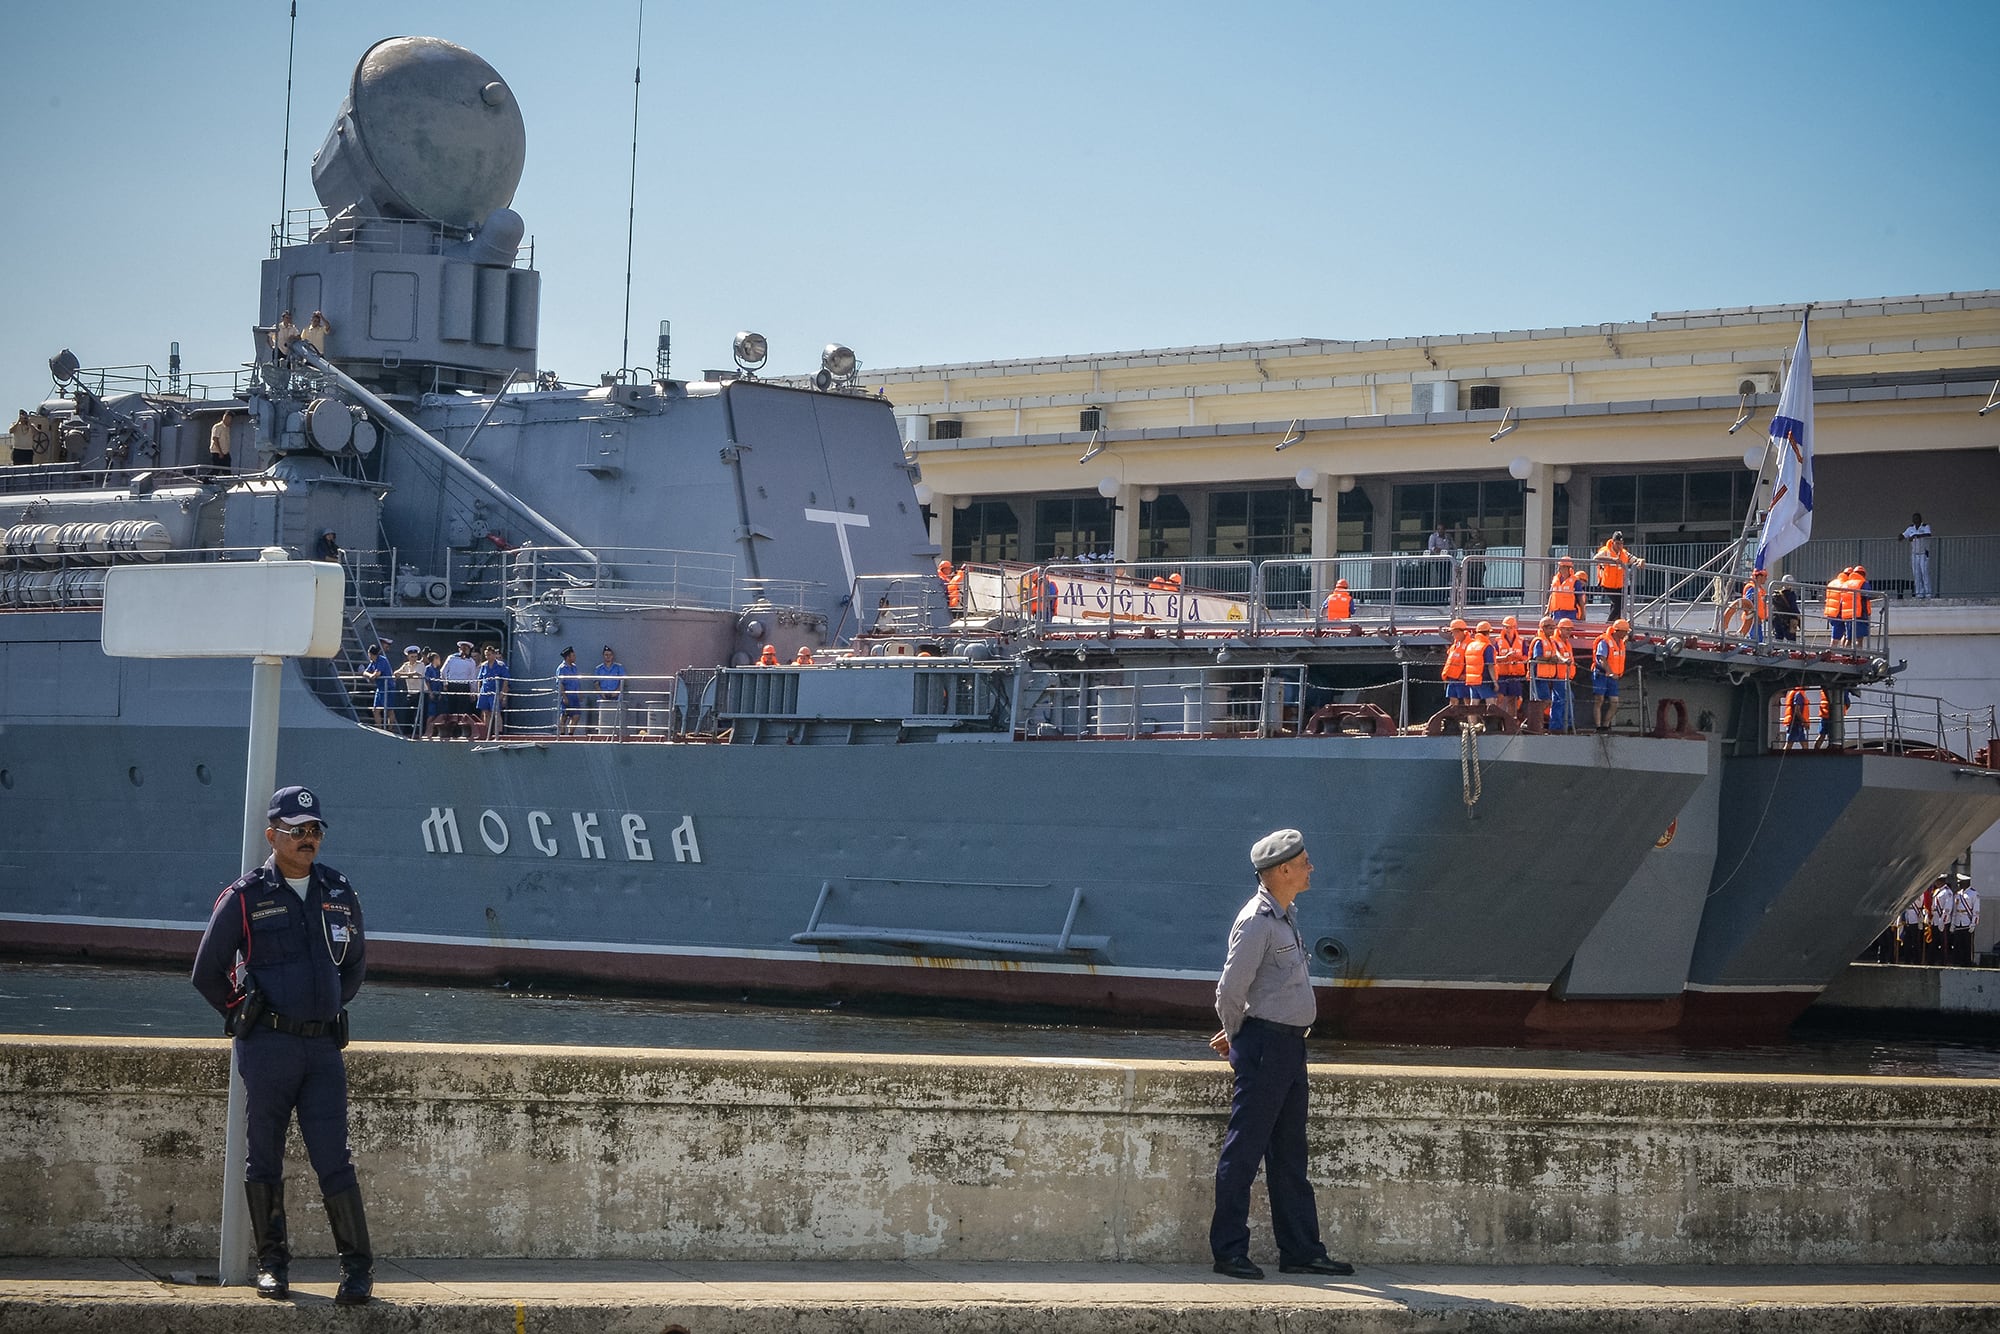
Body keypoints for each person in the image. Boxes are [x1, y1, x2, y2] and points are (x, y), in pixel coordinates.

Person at [190, 786, 375, 1305]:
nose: (308, 838)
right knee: (264, 1157)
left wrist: (328, 1003)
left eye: (315, 829)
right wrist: (241, 1012)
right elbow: (206, 972)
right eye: (297, 831)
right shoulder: (246, 896)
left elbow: (355, 963)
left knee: (333, 1159)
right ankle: (272, 1267)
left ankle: (357, 1272)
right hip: (268, 1047)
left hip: (322, 1053)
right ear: (272, 835)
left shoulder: (338, 891)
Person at [1207, 829, 1353, 1281]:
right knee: (1245, 1150)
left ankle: (1301, 1250)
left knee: (1291, 1154)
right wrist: (1239, 1037)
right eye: (1305, 861)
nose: (1312, 868)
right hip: (1266, 1047)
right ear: (1283, 870)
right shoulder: (1257, 920)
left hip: (1289, 1046)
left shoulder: (1284, 916)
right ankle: (1229, 1252)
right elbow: (1229, 990)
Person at [1592, 532, 1644, 623]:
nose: (1619, 546)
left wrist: (1640, 561)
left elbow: (1634, 559)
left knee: (1620, 605)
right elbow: (1595, 558)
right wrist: (1612, 560)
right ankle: (1608, 624)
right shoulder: (1605, 551)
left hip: (1620, 585)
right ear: (1613, 542)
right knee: (1618, 604)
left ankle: (1616, 624)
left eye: (1621, 543)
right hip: (1608, 584)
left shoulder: (1624, 553)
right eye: (1617, 543)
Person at [1592, 619, 1629, 732]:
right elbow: (1601, 658)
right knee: (1599, 699)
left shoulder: (1621, 642)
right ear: (1618, 631)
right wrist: (1609, 672)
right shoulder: (1604, 642)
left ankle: (1605, 725)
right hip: (1601, 675)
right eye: (1624, 632)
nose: (1625, 634)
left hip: (1613, 678)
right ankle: (1598, 726)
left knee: (1614, 702)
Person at [439, 641, 479, 739]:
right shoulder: (453, 658)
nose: (464, 650)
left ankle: (456, 731)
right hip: (456, 685)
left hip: (460, 685)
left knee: (460, 710)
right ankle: (453, 731)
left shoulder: (469, 661)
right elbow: (443, 672)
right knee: (455, 709)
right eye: (464, 648)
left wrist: (445, 683)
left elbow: (473, 678)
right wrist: (445, 683)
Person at [1491, 615, 1527, 720]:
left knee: (1513, 699)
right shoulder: (1498, 641)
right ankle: (1496, 719)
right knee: (1499, 697)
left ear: (1515, 627)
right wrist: (1505, 657)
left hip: (1515, 675)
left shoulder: (1521, 641)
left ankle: (1511, 720)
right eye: (1506, 627)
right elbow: (1494, 657)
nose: (1508, 629)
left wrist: (1517, 657)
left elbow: (1526, 657)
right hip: (1502, 674)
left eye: (1511, 627)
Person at [1723, 569, 1768, 644]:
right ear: (1759, 576)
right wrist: (1755, 615)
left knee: (1758, 639)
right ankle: (1746, 648)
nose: (1766, 578)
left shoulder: (1759, 589)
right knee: (1754, 639)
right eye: (1765, 576)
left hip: (1758, 619)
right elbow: (1748, 603)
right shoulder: (1752, 588)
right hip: (1753, 618)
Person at [1945, 872, 1980, 967]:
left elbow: (1976, 911)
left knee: (1967, 944)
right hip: (1958, 922)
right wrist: (1952, 923)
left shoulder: (1973, 894)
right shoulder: (1957, 894)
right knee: (1957, 943)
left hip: (1967, 921)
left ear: (1966, 882)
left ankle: (1967, 962)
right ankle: (1958, 961)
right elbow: (1955, 910)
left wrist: (1973, 923)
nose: (1959, 884)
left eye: (1960, 882)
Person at [391, 645, 426, 737]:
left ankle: (420, 732)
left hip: (421, 692)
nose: (414, 658)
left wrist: (402, 674)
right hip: (411, 692)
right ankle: (408, 732)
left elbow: (415, 674)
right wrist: (399, 673)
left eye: (415, 656)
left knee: (420, 713)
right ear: (408, 657)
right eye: (412, 657)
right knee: (409, 713)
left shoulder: (421, 665)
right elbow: (396, 673)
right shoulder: (406, 665)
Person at [475, 644, 508, 739]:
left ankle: (499, 733)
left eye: (489, 655)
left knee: (497, 713)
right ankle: (487, 733)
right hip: (485, 692)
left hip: (495, 692)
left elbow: (506, 680)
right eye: (486, 655)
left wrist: (502, 694)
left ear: (493, 655)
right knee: (486, 713)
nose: (487, 657)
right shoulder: (484, 666)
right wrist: (478, 693)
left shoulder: (501, 665)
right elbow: (480, 680)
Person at [595, 645, 627, 734]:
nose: (608, 656)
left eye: (609, 655)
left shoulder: (619, 667)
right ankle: (603, 733)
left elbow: (622, 681)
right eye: (606, 655)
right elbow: (596, 683)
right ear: (603, 656)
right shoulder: (598, 669)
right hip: (603, 698)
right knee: (604, 719)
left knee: (616, 718)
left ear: (612, 656)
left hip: (616, 697)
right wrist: (602, 694)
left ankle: (617, 733)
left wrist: (616, 692)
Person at [361, 641, 392, 731]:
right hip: (380, 688)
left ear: (370, 654)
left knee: (389, 710)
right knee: (375, 710)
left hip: (388, 688)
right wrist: (370, 675)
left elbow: (377, 674)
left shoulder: (381, 660)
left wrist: (372, 676)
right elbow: (365, 672)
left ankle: (390, 729)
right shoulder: (373, 662)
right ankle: (379, 728)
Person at [1901, 513, 1934, 599]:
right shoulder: (1910, 528)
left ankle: (1928, 593)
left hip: (1923, 553)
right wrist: (1901, 536)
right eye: (1914, 518)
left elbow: (1928, 534)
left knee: (1925, 573)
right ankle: (1919, 593)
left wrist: (1916, 536)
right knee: (1916, 574)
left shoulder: (1925, 526)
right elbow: (1903, 536)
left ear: (1920, 519)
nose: (1915, 520)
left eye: (1917, 518)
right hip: (1914, 554)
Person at [1546, 557, 1585, 624]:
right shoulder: (1555, 580)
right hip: (1556, 613)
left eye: (1562, 567)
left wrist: (1582, 614)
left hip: (1570, 613)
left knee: (1568, 630)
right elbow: (1552, 595)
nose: (1559, 569)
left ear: (1569, 568)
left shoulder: (1575, 581)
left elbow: (1580, 599)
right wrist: (1547, 610)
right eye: (1560, 566)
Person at [1441, 619, 1469, 703]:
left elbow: (1472, 661)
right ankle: (1453, 716)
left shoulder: (1470, 644)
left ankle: (1470, 716)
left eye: (1453, 632)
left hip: (1463, 679)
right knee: (1452, 700)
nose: (1452, 635)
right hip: (1452, 678)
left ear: (1459, 632)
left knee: (1467, 701)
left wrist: (1466, 675)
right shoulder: (1455, 645)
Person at [556, 647, 583, 736]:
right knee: (564, 715)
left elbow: (577, 681)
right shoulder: (562, 668)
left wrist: (579, 693)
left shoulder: (574, 668)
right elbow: (560, 683)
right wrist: (564, 696)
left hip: (574, 696)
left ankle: (570, 734)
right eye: (573, 655)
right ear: (568, 657)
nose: (575, 657)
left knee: (576, 715)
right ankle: (562, 734)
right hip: (566, 695)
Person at [1770, 575, 1802, 643]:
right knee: (1792, 642)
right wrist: (1799, 618)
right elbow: (1794, 608)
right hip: (1789, 621)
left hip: (1777, 620)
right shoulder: (1791, 595)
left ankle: (1775, 652)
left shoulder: (1776, 595)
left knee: (1778, 640)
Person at [1824, 568, 1850, 645]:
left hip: (1831, 612)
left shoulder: (1833, 582)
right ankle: (1844, 653)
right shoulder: (1845, 584)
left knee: (1835, 636)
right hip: (1840, 613)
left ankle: (1831, 653)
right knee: (1845, 635)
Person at [1781, 685, 1811, 751]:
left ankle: (1807, 758)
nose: (1808, 686)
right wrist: (1804, 722)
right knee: (1789, 744)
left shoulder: (1799, 693)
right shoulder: (1799, 694)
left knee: (1804, 744)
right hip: (1795, 724)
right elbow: (1797, 710)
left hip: (1799, 723)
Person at [1848, 566, 1872, 644]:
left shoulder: (1847, 583)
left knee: (1848, 637)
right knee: (1859, 638)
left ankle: (1845, 654)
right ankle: (1858, 655)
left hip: (1848, 614)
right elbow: (1868, 595)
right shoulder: (1863, 583)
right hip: (1860, 613)